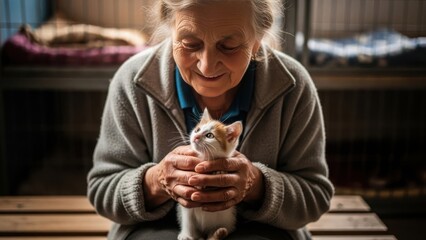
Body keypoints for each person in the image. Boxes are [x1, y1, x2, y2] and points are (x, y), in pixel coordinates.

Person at [87, 0, 334, 239]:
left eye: (229, 46)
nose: (207, 66)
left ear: (257, 41)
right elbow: (102, 191)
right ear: (170, 32)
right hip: (155, 229)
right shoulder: (133, 82)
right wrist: (156, 181)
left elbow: (315, 197)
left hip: (261, 229)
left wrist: (257, 185)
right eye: (190, 43)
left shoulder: (291, 84)